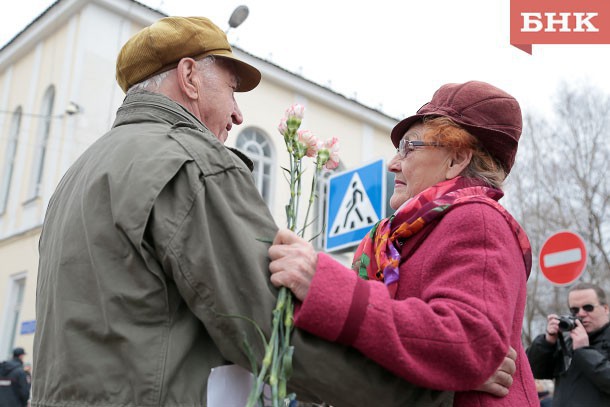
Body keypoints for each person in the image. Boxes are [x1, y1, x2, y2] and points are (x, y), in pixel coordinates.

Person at [31, 17, 515, 407]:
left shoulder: (80, 174)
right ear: (190, 77)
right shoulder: (189, 161)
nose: (239, 114)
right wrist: (428, 392)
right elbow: (265, 327)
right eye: (232, 89)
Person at [268, 80, 539, 406]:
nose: (393, 163)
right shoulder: (392, 238)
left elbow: (471, 344)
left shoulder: (477, 219)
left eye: (410, 148)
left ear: (457, 159)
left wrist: (325, 285)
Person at [527, 282, 610, 406]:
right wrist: (547, 342)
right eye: (574, 310)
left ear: (606, 308)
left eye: (588, 307)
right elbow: (534, 371)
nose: (581, 314)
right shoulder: (568, 341)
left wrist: (584, 351)